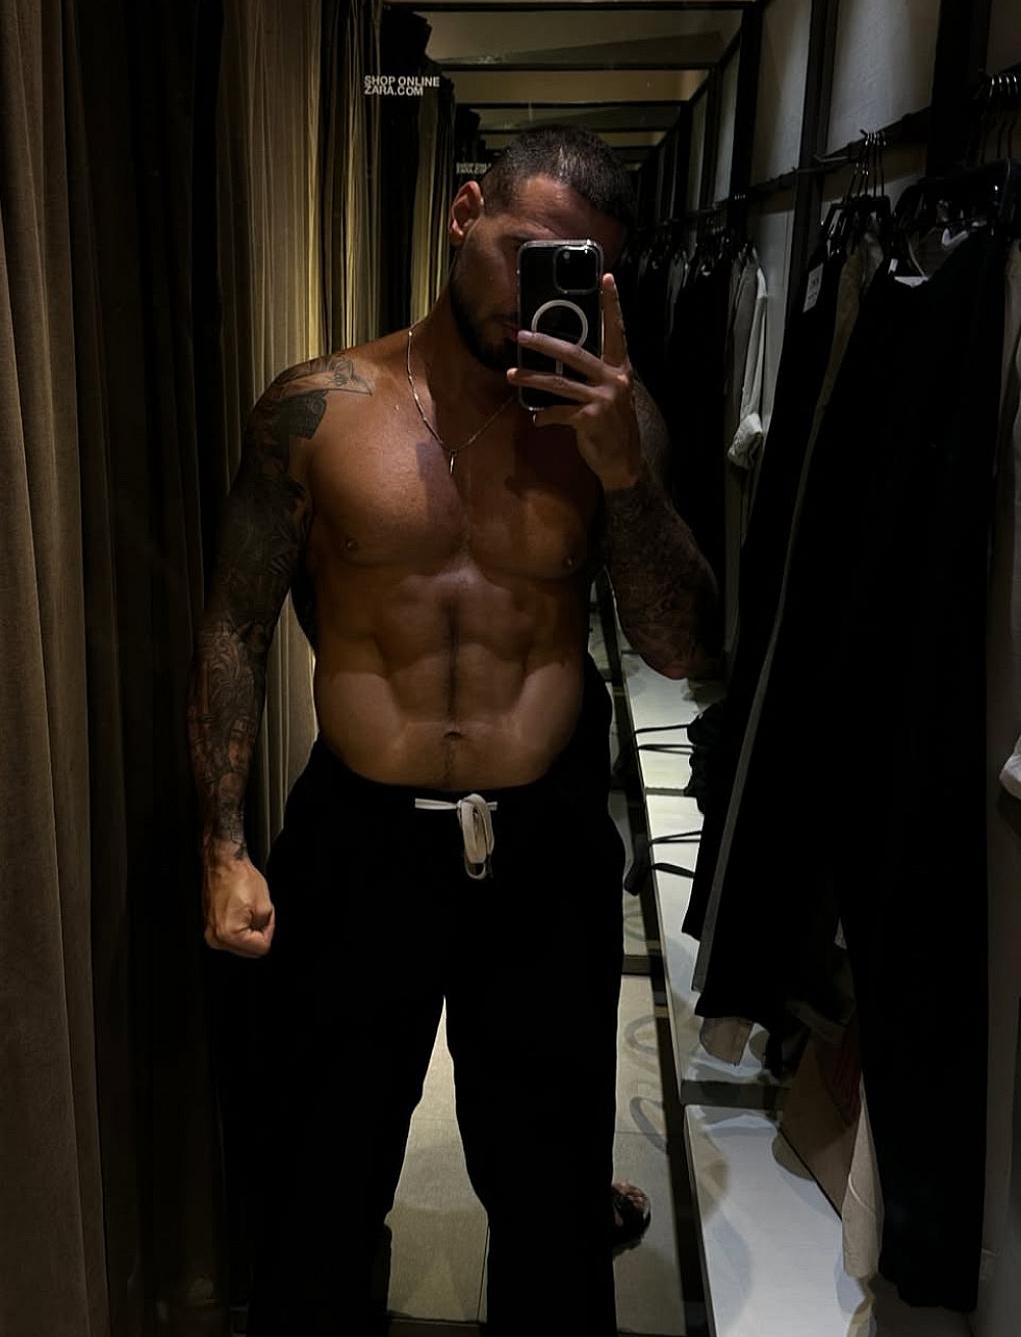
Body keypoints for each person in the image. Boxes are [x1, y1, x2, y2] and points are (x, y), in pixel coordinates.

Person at [187, 126, 718, 1336]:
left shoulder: (614, 427)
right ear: (463, 213)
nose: (542, 292)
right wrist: (222, 842)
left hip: (545, 851)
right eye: (526, 252)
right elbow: (234, 624)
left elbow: (686, 646)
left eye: (580, 270)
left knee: (550, 1194)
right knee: (319, 1183)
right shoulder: (318, 408)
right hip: (358, 840)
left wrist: (623, 476)